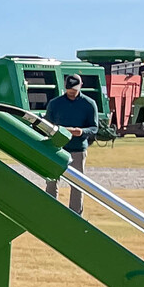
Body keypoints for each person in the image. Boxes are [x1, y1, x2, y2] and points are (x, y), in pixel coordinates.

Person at [43, 74, 98, 214]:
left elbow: (94, 127)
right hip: (57, 148)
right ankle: (50, 211)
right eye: (69, 89)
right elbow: (47, 124)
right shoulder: (55, 103)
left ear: (81, 86)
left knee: (77, 184)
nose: (71, 92)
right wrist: (58, 130)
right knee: (51, 181)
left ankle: (76, 214)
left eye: (74, 89)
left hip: (78, 149)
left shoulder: (89, 104)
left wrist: (81, 131)